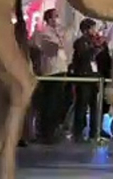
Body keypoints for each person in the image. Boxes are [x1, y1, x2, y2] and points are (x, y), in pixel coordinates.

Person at [31, 8, 68, 143]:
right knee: (50, 102)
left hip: (61, 68)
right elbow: (52, 47)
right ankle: (46, 132)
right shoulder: (44, 33)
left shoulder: (58, 32)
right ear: (48, 19)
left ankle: (54, 129)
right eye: (55, 17)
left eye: (58, 16)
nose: (57, 19)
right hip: (51, 70)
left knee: (58, 102)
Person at [71, 19, 103, 143]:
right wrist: (94, 48)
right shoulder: (80, 43)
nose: (94, 31)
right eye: (92, 28)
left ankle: (94, 132)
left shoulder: (93, 42)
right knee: (82, 105)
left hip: (93, 76)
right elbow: (84, 56)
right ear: (86, 30)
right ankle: (78, 132)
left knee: (94, 106)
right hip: (83, 77)